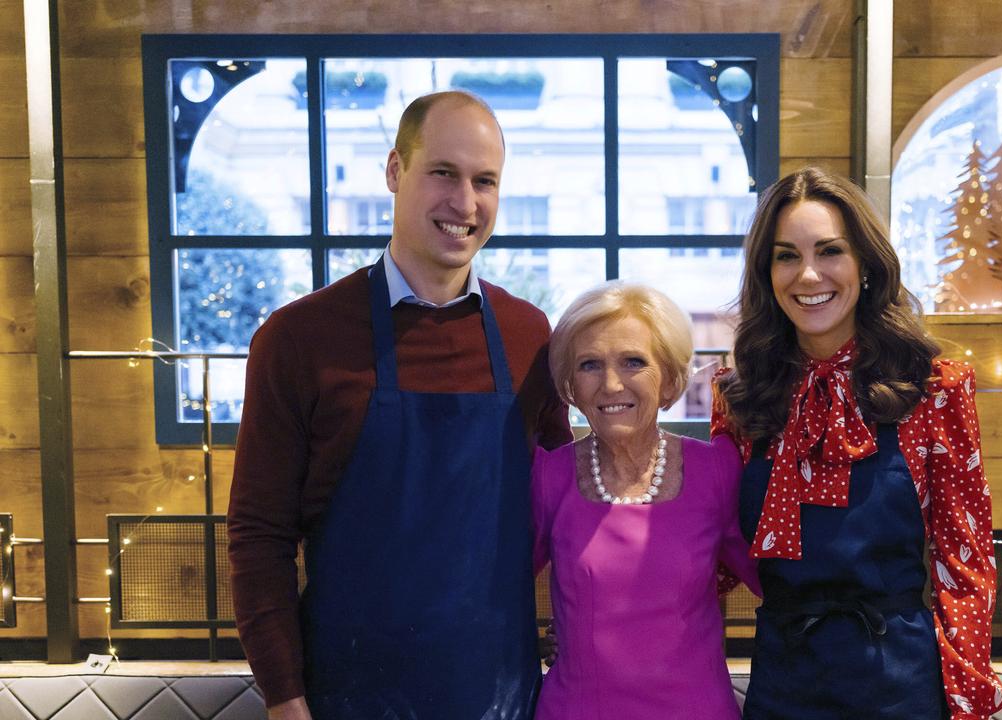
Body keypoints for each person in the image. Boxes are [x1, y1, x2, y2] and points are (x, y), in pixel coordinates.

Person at [227, 91, 572, 720]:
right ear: (394, 171)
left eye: (484, 181)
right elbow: (259, 539)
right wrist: (284, 699)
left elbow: (569, 511)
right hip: (345, 698)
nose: (464, 203)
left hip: (498, 696)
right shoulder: (298, 338)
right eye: (443, 172)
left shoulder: (530, 336)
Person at [711, 167, 1002, 719]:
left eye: (830, 251)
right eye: (785, 256)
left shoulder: (934, 389)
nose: (808, 274)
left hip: (899, 680)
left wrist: (968, 698)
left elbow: (963, 559)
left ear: (866, 265)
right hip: (783, 678)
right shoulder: (738, 394)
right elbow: (718, 552)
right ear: (765, 273)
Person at [531, 282, 760, 720]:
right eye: (589, 365)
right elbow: (494, 597)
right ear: (570, 387)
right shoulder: (547, 475)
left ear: (671, 380)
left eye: (633, 362)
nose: (611, 384)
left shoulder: (717, 470)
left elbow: (782, 585)